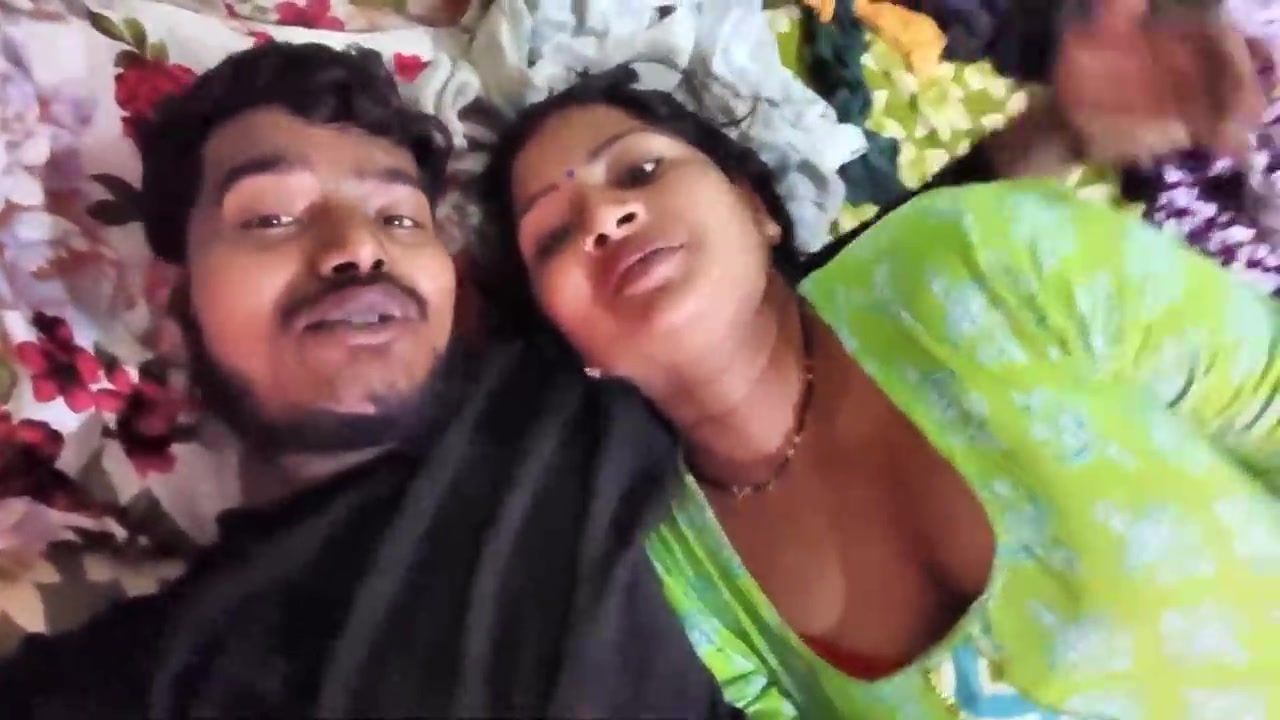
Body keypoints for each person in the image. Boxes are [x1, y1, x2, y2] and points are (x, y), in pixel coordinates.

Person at [476, 42, 1279, 720]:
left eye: (640, 170)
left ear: (755, 206)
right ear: (579, 347)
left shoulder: (978, 258)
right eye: (553, 237)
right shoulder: (678, 580)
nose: (604, 217)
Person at [0, 42, 744, 719]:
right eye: (270, 218)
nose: (358, 247)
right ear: (172, 302)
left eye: (399, 218)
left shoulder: (586, 380)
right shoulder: (144, 680)